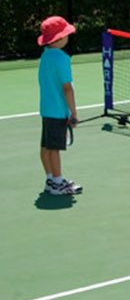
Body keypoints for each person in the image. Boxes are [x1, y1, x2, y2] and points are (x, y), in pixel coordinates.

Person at [37, 16, 82, 195]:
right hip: (57, 112)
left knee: (45, 148)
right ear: (59, 38)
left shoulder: (45, 56)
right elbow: (67, 89)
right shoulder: (62, 58)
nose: (68, 37)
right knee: (54, 149)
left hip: (46, 110)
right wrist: (74, 113)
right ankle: (57, 182)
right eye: (66, 34)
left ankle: (50, 180)